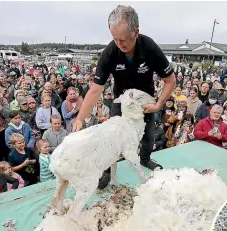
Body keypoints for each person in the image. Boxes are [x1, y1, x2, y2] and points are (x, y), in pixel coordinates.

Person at [71, 4, 175, 176]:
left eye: (123, 39)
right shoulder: (110, 52)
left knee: (148, 135)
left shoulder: (149, 47)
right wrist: (80, 118)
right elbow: (96, 89)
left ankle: (145, 158)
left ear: (136, 32)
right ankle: (105, 169)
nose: (119, 44)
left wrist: (158, 104)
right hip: (121, 101)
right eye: (115, 39)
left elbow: (170, 80)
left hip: (144, 102)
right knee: (112, 136)